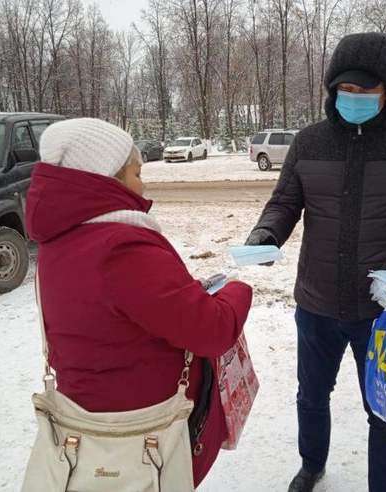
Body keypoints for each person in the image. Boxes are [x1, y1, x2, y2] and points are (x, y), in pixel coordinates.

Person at [245, 32, 386, 492]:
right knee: (311, 396)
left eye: (366, 90)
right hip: (316, 304)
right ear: (332, 89)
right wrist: (266, 234)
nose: (355, 97)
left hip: (383, 313)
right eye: (346, 89)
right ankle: (311, 465)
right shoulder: (309, 143)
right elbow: (284, 203)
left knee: (384, 409)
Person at [25, 118, 253, 487]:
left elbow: (121, 306)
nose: (142, 184)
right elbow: (211, 329)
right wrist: (238, 290)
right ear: (107, 179)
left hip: (88, 421)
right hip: (141, 434)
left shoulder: (62, 236)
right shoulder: (120, 246)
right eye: (135, 172)